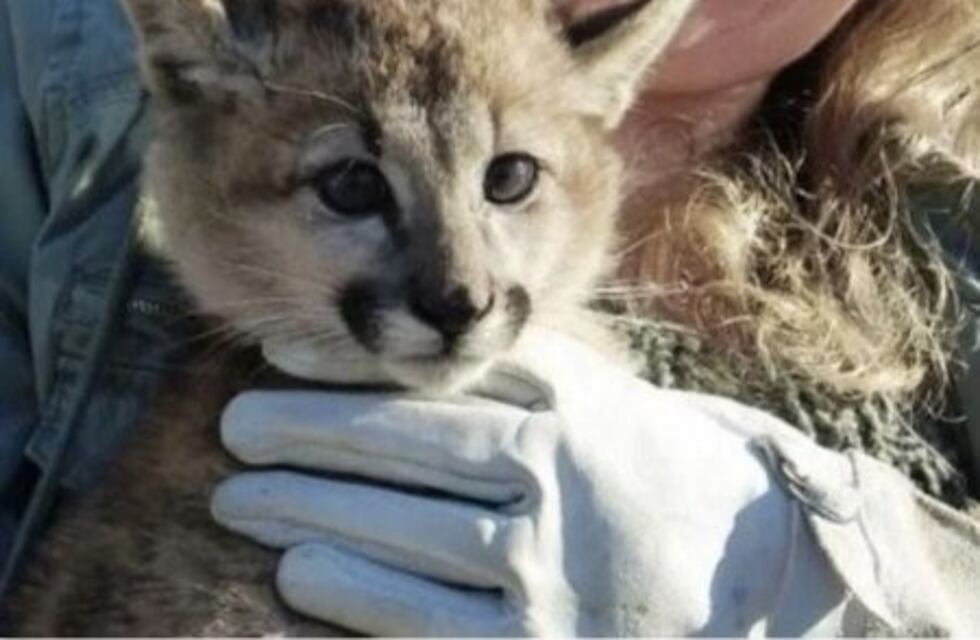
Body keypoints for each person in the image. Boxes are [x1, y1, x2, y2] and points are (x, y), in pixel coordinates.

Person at [0, 0, 977, 635]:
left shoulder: (956, 210)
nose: (460, 289)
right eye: (349, 186)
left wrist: (844, 580)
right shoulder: (81, 75)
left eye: (508, 180)